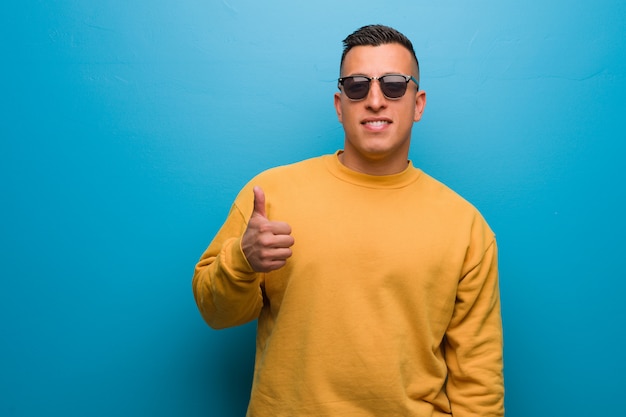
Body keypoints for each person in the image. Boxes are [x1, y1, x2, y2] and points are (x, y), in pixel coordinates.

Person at [193, 24, 504, 416]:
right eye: (357, 86)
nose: (375, 100)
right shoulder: (270, 195)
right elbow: (214, 313)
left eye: (393, 85)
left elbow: (478, 377)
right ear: (340, 105)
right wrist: (242, 260)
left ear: (418, 103)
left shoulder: (465, 225)